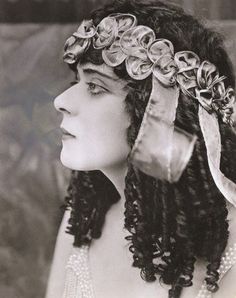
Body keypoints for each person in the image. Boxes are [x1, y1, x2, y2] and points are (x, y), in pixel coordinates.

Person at [45, 0, 236, 297]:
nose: (62, 100)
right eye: (76, 80)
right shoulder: (84, 216)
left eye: (96, 86)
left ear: (157, 111)